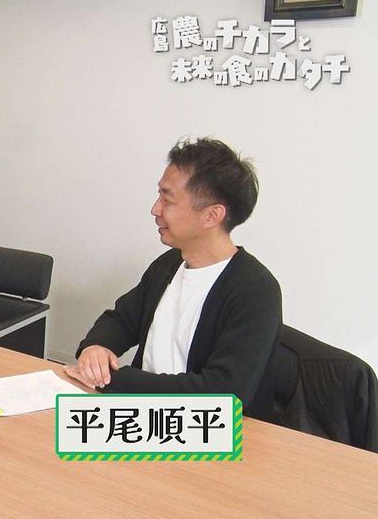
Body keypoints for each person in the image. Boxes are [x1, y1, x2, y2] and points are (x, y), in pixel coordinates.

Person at [66, 138, 282, 420]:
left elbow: (222, 394)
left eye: (167, 200)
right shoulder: (170, 264)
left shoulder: (255, 290)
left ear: (212, 215)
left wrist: (113, 379)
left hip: (207, 431)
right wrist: (96, 348)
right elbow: (122, 320)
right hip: (144, 417)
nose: (155, 209)